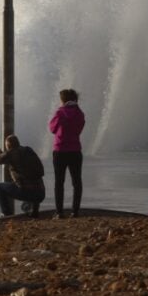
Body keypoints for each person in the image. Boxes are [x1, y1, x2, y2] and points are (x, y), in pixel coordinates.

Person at [0, 134, 46, 218]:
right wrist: (3, 154)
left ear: (7, 145)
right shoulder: (28, 150)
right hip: (41, 193)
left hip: (27, 192)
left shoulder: (9, 153)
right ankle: (34, 212)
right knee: (30, 181)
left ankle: (6, 215)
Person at [49, 88, 85, 218]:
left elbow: (52, 129)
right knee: (76, 182)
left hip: (60, 150)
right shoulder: (80, 113)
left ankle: (59, 212)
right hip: (75, 150)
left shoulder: (60, 112)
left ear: (63, 100)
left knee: (59, 182)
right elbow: (79, 129)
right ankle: (75, 211)